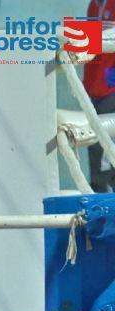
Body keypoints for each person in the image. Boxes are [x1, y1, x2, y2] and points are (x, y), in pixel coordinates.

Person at [84, 0, 115, 191]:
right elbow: (89, 48)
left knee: (105, 146)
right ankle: (101, 200)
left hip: (110, 89)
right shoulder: (94, 5)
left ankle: (104, 199)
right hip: (93, 89)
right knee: (95, 145)